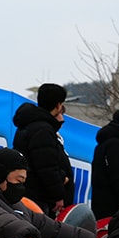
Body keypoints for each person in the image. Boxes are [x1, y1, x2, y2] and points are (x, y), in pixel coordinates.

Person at [12, 83, 75, 217]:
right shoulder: (43, 130)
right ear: (58, 105)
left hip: (32, 194)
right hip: (40, 198)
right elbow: (46, 167)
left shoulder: (30, 124)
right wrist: (58, 194)